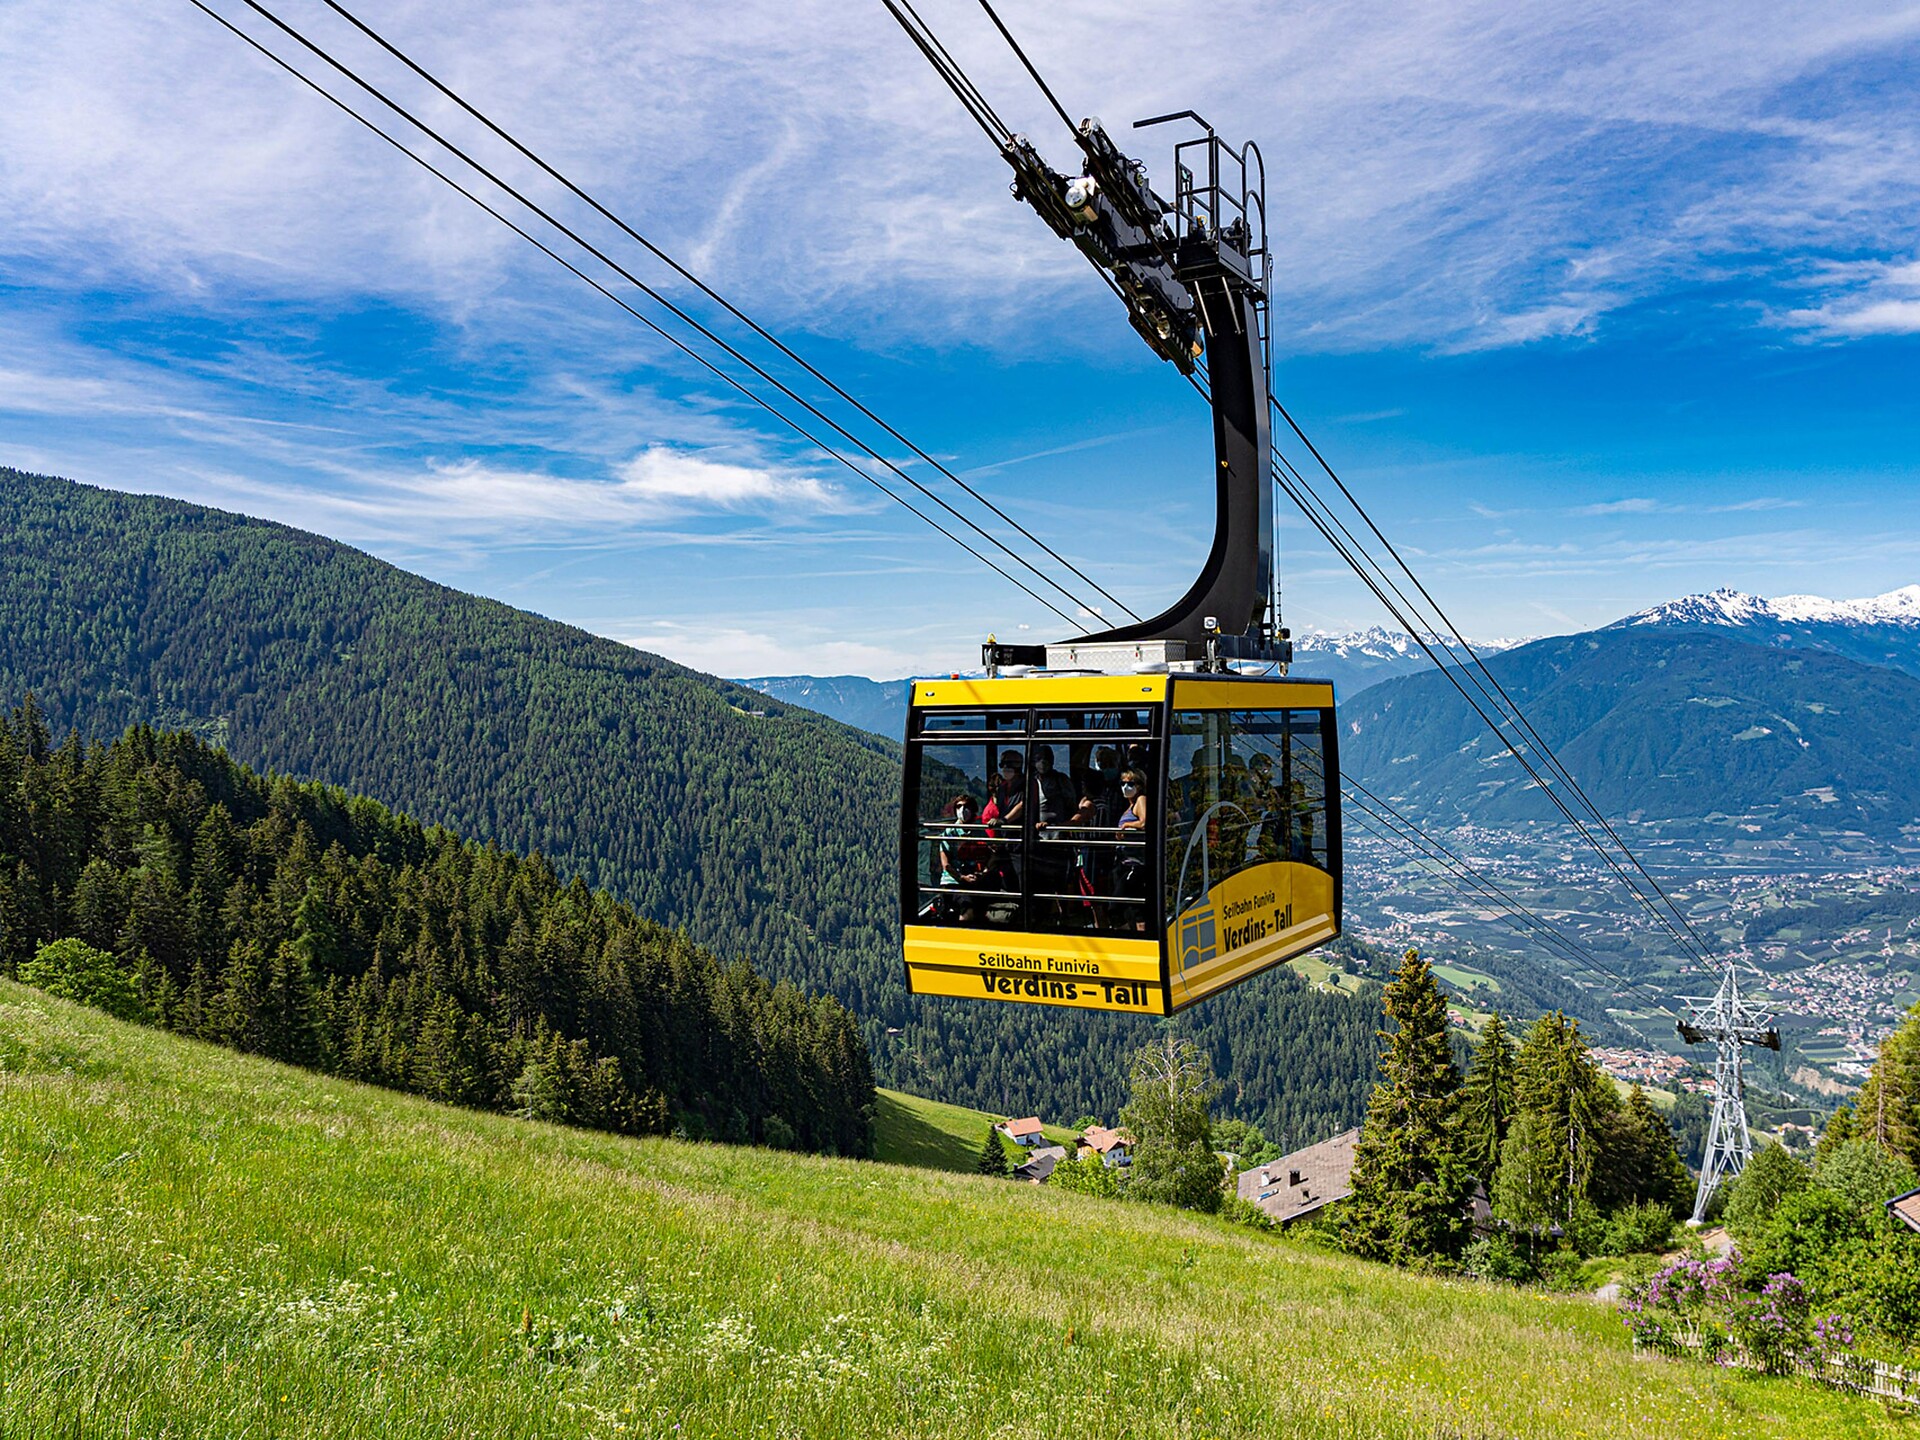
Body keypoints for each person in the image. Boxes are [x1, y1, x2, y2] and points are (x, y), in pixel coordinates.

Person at [1113, 768, 1150, 931]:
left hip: (1136, 863)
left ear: (1139, 785)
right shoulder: (1129, 806)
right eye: (1123, 783)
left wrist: (1127, 826)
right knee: (1133, 908)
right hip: (1124, 861)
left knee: (1115, 907)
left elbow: (1144, 822)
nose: (1126, 787)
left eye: (1130, 783)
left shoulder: (1141, 800)